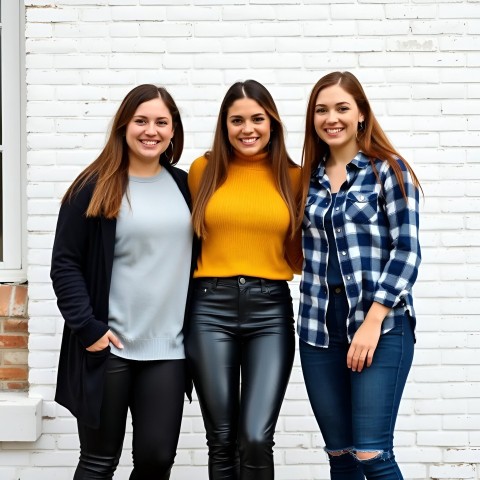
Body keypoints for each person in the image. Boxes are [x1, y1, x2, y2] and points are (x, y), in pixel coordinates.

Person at [50, 84, 196, 480]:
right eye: (141, 120)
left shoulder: (187, 187)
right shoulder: (92, 187)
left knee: (156, 461)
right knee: (99, 462)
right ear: (123, 126)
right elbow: (64, 265)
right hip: (108, 348)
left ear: (173, 130)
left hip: (167, 351)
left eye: (161, 122)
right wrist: (89, 329)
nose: (151, 130)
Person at [298, 71, 422, 480]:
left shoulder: (389, 170)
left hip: (381, 328)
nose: (331, 118)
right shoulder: (306, 179)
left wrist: (372, 322)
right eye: (321, 110)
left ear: (362, 114)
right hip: (319, 330)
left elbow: (407, 253)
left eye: (341, 108)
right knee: (342, 455)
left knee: (372, 453)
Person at [186, 79, 303, 480]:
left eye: (257, 118)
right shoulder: (203, 171)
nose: (247, 128)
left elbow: (300, 255)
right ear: (224, 125)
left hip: (270, 309)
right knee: (221, 437)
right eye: (236, 120)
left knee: (255, 437)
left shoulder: (295, 176)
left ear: (272, 123)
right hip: (208, 309)